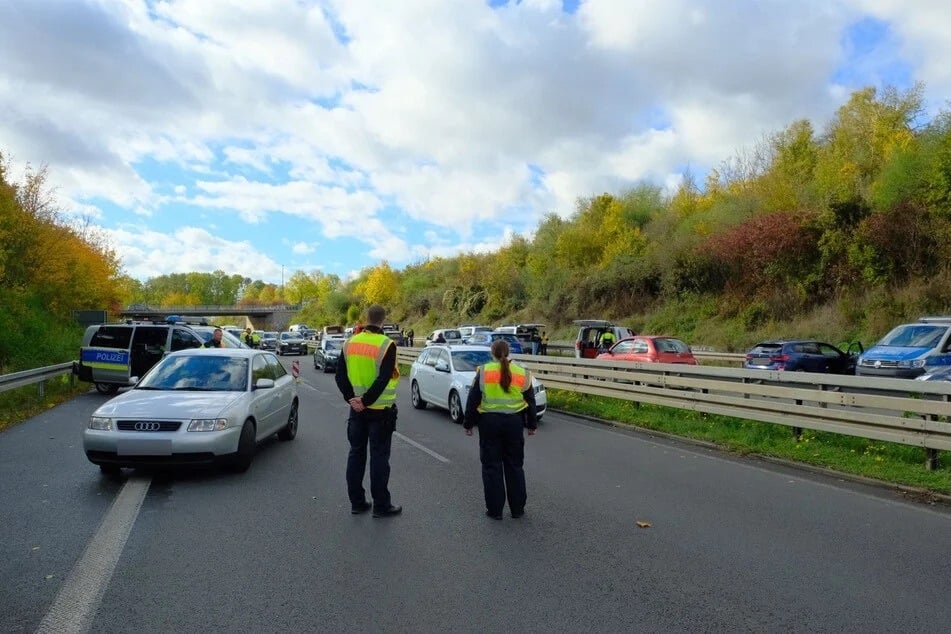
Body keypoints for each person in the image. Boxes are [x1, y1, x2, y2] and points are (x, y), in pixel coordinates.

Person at [335, 305, 402, 518]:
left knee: (356, 454)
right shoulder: (386, 345)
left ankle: (357, 503)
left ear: (366, 318)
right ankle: (381, 506)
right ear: (383, 320)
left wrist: (352, 399)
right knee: (379, 457)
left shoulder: (349, 343)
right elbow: (383, 379)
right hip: (380, 411)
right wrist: (365, 401)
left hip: (356, 411)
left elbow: (339, 376)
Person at [463, 339, 538, 520]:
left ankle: (495, 511)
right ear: (509, 352)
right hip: (514, 424)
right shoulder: (522, 372)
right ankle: (517, 509)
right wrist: (532, 425)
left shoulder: (483, 371)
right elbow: (530, 400)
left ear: (492, 353)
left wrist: (468, 424)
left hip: (489, 424)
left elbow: (473, 399)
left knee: (492, 467)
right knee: (515, 466)